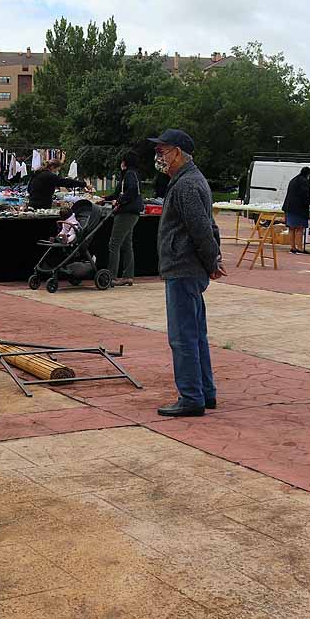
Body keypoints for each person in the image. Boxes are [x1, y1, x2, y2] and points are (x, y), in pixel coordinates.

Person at [150, 129, 225, 417]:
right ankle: (205, 393)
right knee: (195, 335)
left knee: (182, 337)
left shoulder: (186, 186)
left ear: (178, 152)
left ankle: (191, 397)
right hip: (188, 268)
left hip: (183, 269)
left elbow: (202, 230)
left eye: (163, 152)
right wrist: (214, 259)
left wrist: (211, 261)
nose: (160, 158)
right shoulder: (190, 181)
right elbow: (210, 227)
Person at [107, 151, 144, 286]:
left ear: (125, 162)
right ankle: (128, 275)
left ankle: (111, 276)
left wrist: (119, 201)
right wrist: (105, 199)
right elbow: (118, 193)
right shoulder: (131, 174)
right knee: (126, 244)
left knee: (114, 244)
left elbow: (131, 191)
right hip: (132, 213)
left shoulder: (129, 174)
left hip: (126, 213)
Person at [282, 166, 310, 255]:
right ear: (308, 174)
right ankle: (299, 248)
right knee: (300, 228)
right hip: (298, 209)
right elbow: (304, 195)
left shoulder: (293, 180)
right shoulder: (304, 181)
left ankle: (293, 248)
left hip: (289, 207)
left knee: (291, 228)